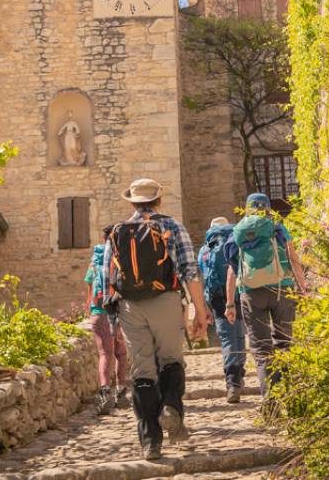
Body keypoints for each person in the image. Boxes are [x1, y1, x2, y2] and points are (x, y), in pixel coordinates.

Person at [103, 178, 210, 460]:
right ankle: (172, 407)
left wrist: (113, 326)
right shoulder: (172, 226)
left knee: (142, 371)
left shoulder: (115, 232)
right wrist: (200, 311)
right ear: (159, 200)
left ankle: (150, 441)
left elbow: (108, 285)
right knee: (171, 359)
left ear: (132, 203)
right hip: (166, 301)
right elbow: (190, 269)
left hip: (130, 308)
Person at [224, 194, 307, 399]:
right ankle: (287, 395)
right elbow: (293, 258)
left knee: (261, 348)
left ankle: (270, 399)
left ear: (247, 208)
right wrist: (303, 287)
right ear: (269, 208)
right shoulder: (278, 227)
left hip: (251, 293)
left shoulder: (239, 230)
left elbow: (232, 271)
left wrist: (229, 304)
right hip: (282, 289)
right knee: (284, 343)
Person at [197, 216, 246, 403]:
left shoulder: (205, 249)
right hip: (239, 292)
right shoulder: (236, 241)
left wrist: (203, 306)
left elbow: (202, 278)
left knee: (227, 337)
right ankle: (239, 376)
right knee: (240, 334)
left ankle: (232, 383)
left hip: (217, 297)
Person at [84, 225, 130, 415]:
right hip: (119, 310)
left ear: (103, 240)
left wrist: (91, 311)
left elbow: (89, 293)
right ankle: (121, 393)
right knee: (121, 353)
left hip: (99, 311)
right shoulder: (121, 260)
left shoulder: (94, 262)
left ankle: (105, 394)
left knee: (105, 353)